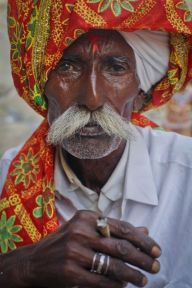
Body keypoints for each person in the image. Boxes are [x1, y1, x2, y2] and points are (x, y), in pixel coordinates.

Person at [0, 1, 192, 287]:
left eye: (115, 68)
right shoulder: (4, 178)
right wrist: (23, 267)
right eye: (68, 66)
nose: (91, 99)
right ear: (40, 86)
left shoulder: (187, 175)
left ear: (141, 93)